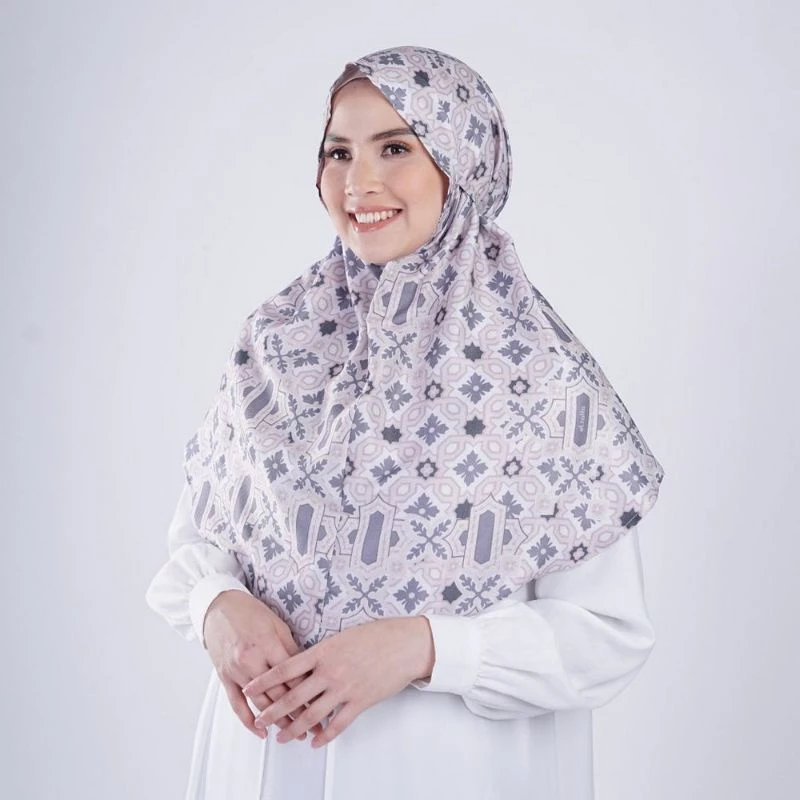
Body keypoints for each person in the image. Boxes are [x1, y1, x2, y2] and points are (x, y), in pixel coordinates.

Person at [146, 45, 664, 800]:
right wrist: (214, 608)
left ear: (463, 165)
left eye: (396, 148)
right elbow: (196, 544)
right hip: (261, 764)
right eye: (338, 152)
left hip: (453, 774)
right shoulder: (278, 343)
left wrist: (424, 648)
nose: (358, 182)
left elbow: (607, 636)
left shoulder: (543, 380)